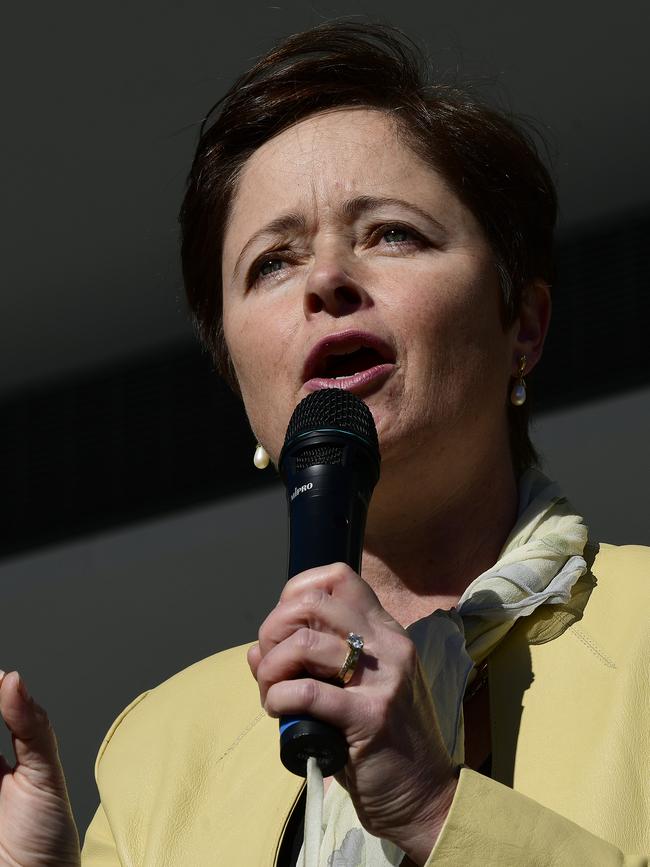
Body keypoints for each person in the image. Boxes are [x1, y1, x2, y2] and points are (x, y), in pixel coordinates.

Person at [0, 20, 648, 867]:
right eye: (272, 261)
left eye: (391, 233)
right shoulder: (161, 753)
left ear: (522, 324)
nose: (325, 281)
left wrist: (432, 805)